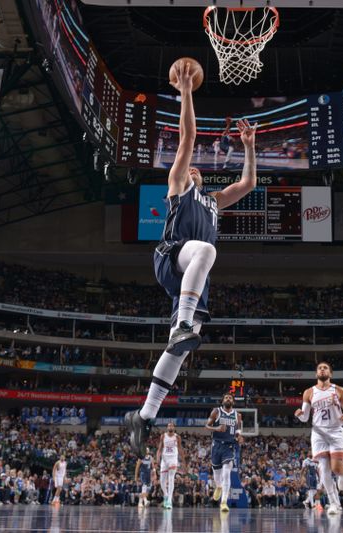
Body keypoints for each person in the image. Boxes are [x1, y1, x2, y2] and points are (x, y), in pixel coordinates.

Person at [125, 59, 258, 455]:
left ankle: (144, 416)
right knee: (206, 250)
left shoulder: (215, 201)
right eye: (190, 166)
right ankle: (183, 322)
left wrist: (249, 147)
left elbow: (248, 182)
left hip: (193, 276)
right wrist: (185, 93)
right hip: (172, 255)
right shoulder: (178, 185)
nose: (194, 166)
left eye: (199, 167)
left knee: (181, 349)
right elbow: (187, 139)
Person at [294, 362, 343, 515]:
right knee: (324, 470)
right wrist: (300, 415)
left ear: (330, 374)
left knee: (336, 469)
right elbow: (305, 417)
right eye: (320, 368)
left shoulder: (339, 390)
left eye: (325, 368)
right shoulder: (309, 392)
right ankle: (333, 503)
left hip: (335, 431)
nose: (322, 369)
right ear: (316, 374)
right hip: (318, 432)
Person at [206, 393, 243, 513]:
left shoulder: (237, 415)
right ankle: (219, 486)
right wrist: (216, 428)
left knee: (226, 472)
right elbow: (207, 426)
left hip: (229, 446)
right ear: (222, 401)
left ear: (233, 402)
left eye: (230, 398)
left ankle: (224, 502)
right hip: (216, 445)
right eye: (226, 397)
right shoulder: (216, 411)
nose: (228, 399)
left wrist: (239, 437)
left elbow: (238, 431)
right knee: (217, 474)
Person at [157, 422, 184, 509]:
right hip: (164, 460)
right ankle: (166, 495)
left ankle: (169, 500)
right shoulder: (163, 436)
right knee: (162, 481)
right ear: (167, 427)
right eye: (169, 425)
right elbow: (159, 449)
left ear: (174, 427)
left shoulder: (177, 437)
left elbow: (180, 448)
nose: (170, 427)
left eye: (171, 425)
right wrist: (157, 457)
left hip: (173, 459)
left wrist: (183, 460)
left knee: (171, 478)